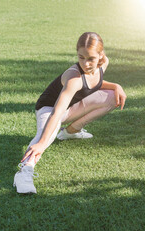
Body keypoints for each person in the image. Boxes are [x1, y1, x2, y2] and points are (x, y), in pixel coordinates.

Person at [13, 32, 127, 194]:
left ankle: (70, 132)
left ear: (101, 56)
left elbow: (95, 82)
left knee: (111, 98)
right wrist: (42, 142)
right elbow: (57, 112)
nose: (86, 64)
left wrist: (116, 86)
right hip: (49, 109)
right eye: (81, 57)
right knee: (45, 136)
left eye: (91, 59)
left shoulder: (104, 63)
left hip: (70, 109)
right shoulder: (73, 78)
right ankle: (24, 172)